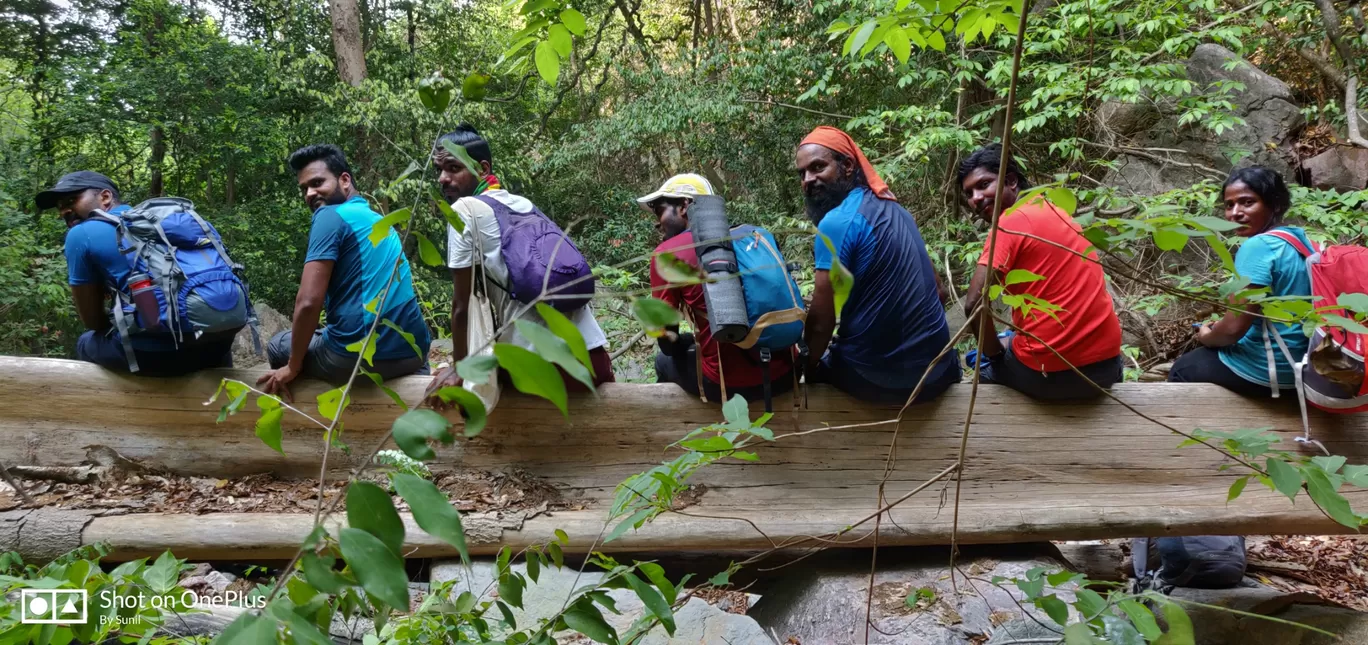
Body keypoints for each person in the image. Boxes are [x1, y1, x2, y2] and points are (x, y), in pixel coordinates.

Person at [424, 124, 614, 400]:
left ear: (483, 169)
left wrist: (460, 369)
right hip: (593, 359)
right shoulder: (522, 204)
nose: (442, 178)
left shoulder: (464, 211)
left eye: (453, 168)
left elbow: (460, 307)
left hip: (545, 369)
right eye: (439, 170)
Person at [796, 126, 960, 404]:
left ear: (848, 166)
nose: (808, 179)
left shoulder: (836, 223)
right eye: (802, 173)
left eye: (818, 167)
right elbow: (940, 291)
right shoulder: (898, 211)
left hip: (880, 382)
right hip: (939, 373)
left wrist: (805, 371)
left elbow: (822, 325)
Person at [258, 144, 431, 398]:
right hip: (414, 354)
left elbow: (308, 302)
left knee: (278, 346)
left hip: (353, 358)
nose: (309, 193)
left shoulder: (328, 215)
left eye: (317, 182)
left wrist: (293, 366)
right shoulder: (378, 221)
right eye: (304, 188)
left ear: (345, 180)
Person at [958, 143, 1123, 399]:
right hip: (1107, 366)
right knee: (1008, 337)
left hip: (1054, 374)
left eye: (983, 184)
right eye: (969, 193)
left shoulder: (1009, 224)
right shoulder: (1054, 209)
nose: (976, 198)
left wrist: (996, 357)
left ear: (1011, 181)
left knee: (983, 365)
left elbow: (974, 303)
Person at [38, 171, 238, 375]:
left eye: (72, 200)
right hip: (218, 346)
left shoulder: (80, 234)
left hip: (158, 357)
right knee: (209, 332)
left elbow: (93, 321)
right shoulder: (162, 223)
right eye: (60, 206)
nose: (64, 211)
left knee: (86, 342)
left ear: (105, 197)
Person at [641, 173, 796, 401]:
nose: (657, 221)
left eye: (658, 210)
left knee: (663, 362)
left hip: (727, 385)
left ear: (684, 206)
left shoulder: (668, 253)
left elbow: (667, 342)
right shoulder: (754, 236)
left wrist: (685, 340)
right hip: (785, 374)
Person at [1168, 166, 1312, 396]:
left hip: (1273, 370)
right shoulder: (1298, 239)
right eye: (1229, 205)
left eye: (1247, 202)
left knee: (1183, 368)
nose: (1235, 213)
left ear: (1274, 204)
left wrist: (1206, 335)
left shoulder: (1258, 246)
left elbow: (1232, 330)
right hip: (1306, 364)